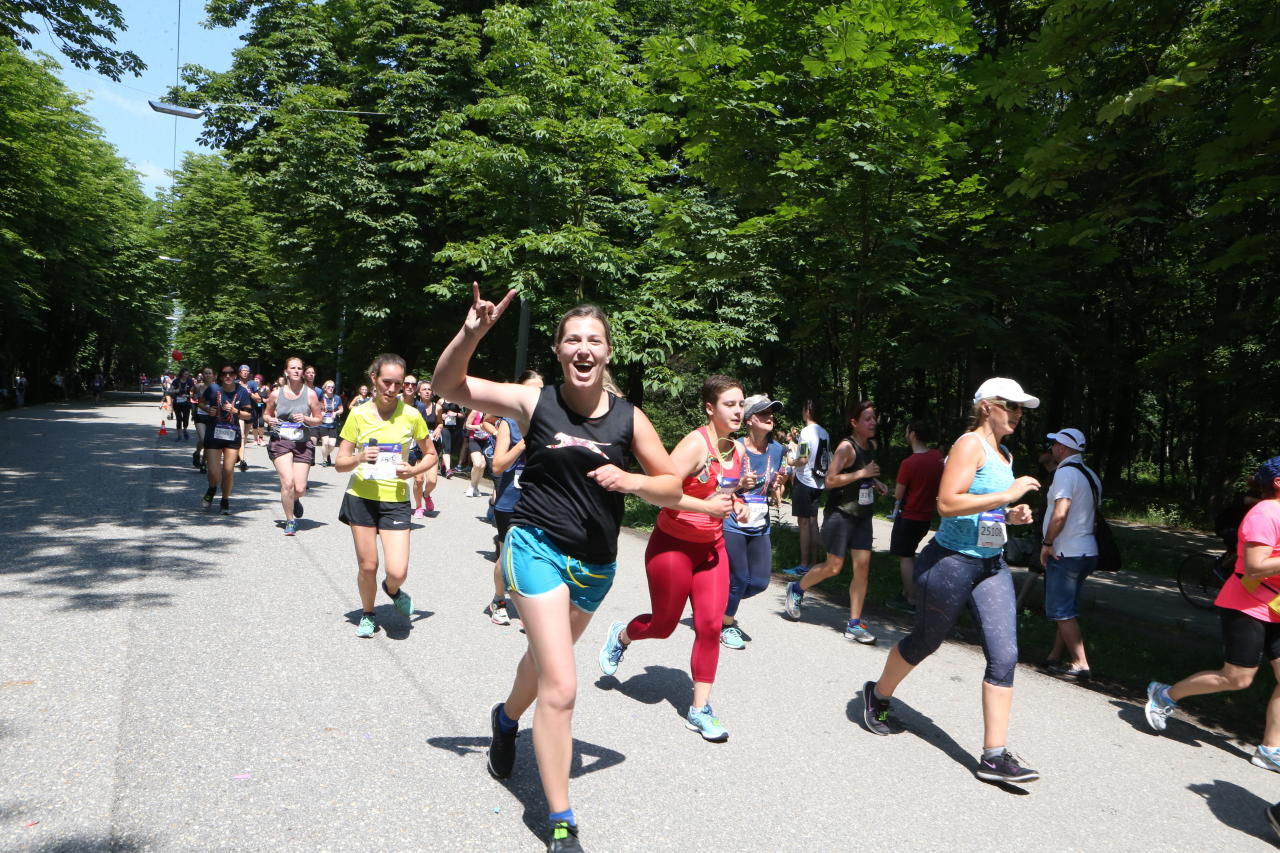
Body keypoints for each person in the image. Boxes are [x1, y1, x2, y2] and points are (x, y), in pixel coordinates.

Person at [433, 288, 679, 853]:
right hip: (535, 546)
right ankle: (561, 821)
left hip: (594, 567)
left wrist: (634, 482)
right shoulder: (534, 402)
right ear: (559, 349)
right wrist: (473, 331)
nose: (584, 348)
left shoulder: (628, 419)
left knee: (543, 665)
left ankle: (504, 719)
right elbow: (450, 386)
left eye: (594, 340)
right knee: (563, 686)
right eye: (574, 339)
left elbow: (670, 486)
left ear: (608, 352)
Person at [861, 377, 1042, 785]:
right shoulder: (968, 445)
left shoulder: (1004, 452)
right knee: (926, 640)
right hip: (950, 563)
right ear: (986, 407)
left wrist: (1010, 517)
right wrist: (1007, 497)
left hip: (990, 565)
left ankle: (993, 756)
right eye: (1010, 406)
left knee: (1005, 655)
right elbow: (947, 503)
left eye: (1020, 408)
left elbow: (985, 511)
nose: (1017, 415)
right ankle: (879, 694)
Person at [600, 375, 747, 741]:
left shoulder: (737, 451)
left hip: (712, 550)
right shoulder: (694, 446)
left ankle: (700, 709)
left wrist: (736, 506)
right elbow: (660, 493)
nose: (738, 411)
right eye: (730, 404)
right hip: (672, 545)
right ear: (710, 408)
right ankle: (622, 635)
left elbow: (722, 495)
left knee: (711, 627)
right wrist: (707, 506)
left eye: (741, 404)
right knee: (664, 625)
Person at [1144, 456, 1280, 775]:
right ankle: (1165, 694)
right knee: (1238, 679)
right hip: (1247, 605)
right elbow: (1253, 566)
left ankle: (1269, 749)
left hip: (1276, 607)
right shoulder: (1265, 513)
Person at [335, 354, 435, 638]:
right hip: (361, 497)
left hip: (395, 500)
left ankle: (392, 590)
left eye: (398, 384)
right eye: (386, 382)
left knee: (397, 570)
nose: (392, 389)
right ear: (374, 380)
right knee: (368, 565)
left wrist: (413, 468)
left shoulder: (412, 415)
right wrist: (358, 457)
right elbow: (340, 463)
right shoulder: (359, 414)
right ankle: (368, 613)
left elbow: (431, 455)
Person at [783, 400, 888, 644]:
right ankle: (797, 589)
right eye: (867, 419)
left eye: (874, 418)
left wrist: (874, 483)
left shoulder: (870, 445)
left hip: (862, 515)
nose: (873, 423)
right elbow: (830, 480)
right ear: (854, 422)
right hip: (840, 514)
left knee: (862, 568)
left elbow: (862, 475)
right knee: (834, 567)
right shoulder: (845, 448)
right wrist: (862, 474)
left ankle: (854, 623)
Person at [720, 394, 786, 650]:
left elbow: (771, 483)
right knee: (739, 579)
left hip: (761, 523)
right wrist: (738, 485)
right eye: (763, 413)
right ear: (749, 420)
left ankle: (719, 604)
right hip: (733, 521)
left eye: (772, 413)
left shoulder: (777, 450)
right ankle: (726, 624)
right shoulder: (734, 447)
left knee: (759, 582)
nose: (770, 417)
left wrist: (777, 485)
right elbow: (720, 487)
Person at [1039, 428, 1100, 679]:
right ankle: (1055, 656)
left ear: (1062, 448)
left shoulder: (1065, 473)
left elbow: (1061, 512)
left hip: (1066, 551)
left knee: (1061, 610)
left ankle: (1080, 663)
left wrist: (1047, 542)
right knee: (1067, 610)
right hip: (1087, 550)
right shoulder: (1091, 475)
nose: (1051, 447)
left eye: (1054, 443)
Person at [487, 369, 545, 624]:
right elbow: (497, 466)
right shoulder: (508, 422)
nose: (537, 395)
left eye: (541, 390)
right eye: (531, 389)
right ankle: (499, 599)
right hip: (511, 499)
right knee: (507, 555)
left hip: (541, 500)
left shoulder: (550, 423)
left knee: (536, 556)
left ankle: (530, 606)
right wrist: (523, 444)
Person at [886, 421, 945, 613]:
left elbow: (898, 495)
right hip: (926, 517)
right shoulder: (937, 458)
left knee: (905, 557)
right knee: (911, 554)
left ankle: (911, 599)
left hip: (909, 515)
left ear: (912, 434)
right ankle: (906, 592)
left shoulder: (909, 463)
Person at [265, 358, 323, 536]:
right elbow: (266, 414)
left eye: (299, 368)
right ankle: (290, 520)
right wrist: (270, 419)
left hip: (302, 442)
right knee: (287, 482)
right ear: (286, 372)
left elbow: (318, 418)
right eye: (293, 368)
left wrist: (306, 419)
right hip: (281, 440)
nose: (297, 371)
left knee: (299, 488)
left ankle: (294, 499)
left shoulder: (310, 394)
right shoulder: (276, 393)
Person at [197, 366, 254, 515]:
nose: (228, 376)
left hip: (231, 435)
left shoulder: (242, 391)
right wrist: (207, 409)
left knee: (228, 471)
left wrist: (235, 411)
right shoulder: (213, 389)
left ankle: (225, 500)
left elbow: (248, 415)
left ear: (235, 375)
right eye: (225, 374)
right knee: (214, 472)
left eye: (231, 374)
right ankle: (212, 487)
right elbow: (200, 403)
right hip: (214, 434)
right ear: (220, 376)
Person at [785, 400, 829, 576]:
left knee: (803, 524)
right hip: (819, 482)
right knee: (812, 523)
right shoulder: (825, 432)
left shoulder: (805, 432)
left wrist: (790, 461)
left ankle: (804, 565)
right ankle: (814, 563)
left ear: (807, 411)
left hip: (804, 482)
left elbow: (802, 459)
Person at [413, 379, 441, 515]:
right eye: (424, 389)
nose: (427, 391)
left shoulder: (437, 407)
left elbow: (440, 423)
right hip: (417, 447)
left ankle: (426, 494)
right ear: (418, 392)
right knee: (419, 479)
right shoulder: (413, 407)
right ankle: (418, 507)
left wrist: (439, 428)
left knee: (432, 480)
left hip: (431, 449)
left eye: (429, 389)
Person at [465, 406, 495, 497]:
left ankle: (476, 487)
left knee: (482, 465)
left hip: (486, 441)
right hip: (474, 440)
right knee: (477, 464)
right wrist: (478, 427)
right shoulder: (475, 411)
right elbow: (467, 425)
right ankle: (471, 486)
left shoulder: (491, 413)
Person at [312, 380, 344, 466]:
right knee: (325, 442)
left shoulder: (337, 398)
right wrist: (320, 413)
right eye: (329, 387)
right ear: (325, 388)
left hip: (332, 424)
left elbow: (341, 409)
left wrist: (336, 413)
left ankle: (326, 454)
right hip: (323, 423)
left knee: (332, 444)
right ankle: (325, 460)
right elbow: (314, 407)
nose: (331, 389)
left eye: (332, 387)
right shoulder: (321, 398)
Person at [191, 367, 215, 472]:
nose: (207, 375)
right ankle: (197, 453)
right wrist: (195, 399)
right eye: (206, 373)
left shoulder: (217, 388)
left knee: (208, 441)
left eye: (210, 373)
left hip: (212, 417)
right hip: (200, 415)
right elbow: (192, 396)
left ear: (214, 375)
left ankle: (203, 462)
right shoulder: (198, 386)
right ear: (202, 375)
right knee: (203, 439)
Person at [167, 369, 196, 441]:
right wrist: (176, 391)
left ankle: (185, 430)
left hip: (186, 402)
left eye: (188, 374)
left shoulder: (190, 381)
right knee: (179, 419)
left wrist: (190, 395)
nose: (187, 375)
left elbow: (194, 390)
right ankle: (179, 435)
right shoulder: (176, 381)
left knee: (186, 418)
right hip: (177, 403)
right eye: (185, 374)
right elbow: (170, 391)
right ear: (182, 374)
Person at [440, 397, 464, 476]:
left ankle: (443, 465)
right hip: (445, 428)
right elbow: (436, 412)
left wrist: (455, 414)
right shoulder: (441, 401)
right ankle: (448, 470)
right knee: (447, 448)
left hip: (455, 429)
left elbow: (463, 415)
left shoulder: (458, 401)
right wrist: (441, 415)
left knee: (451, 449)